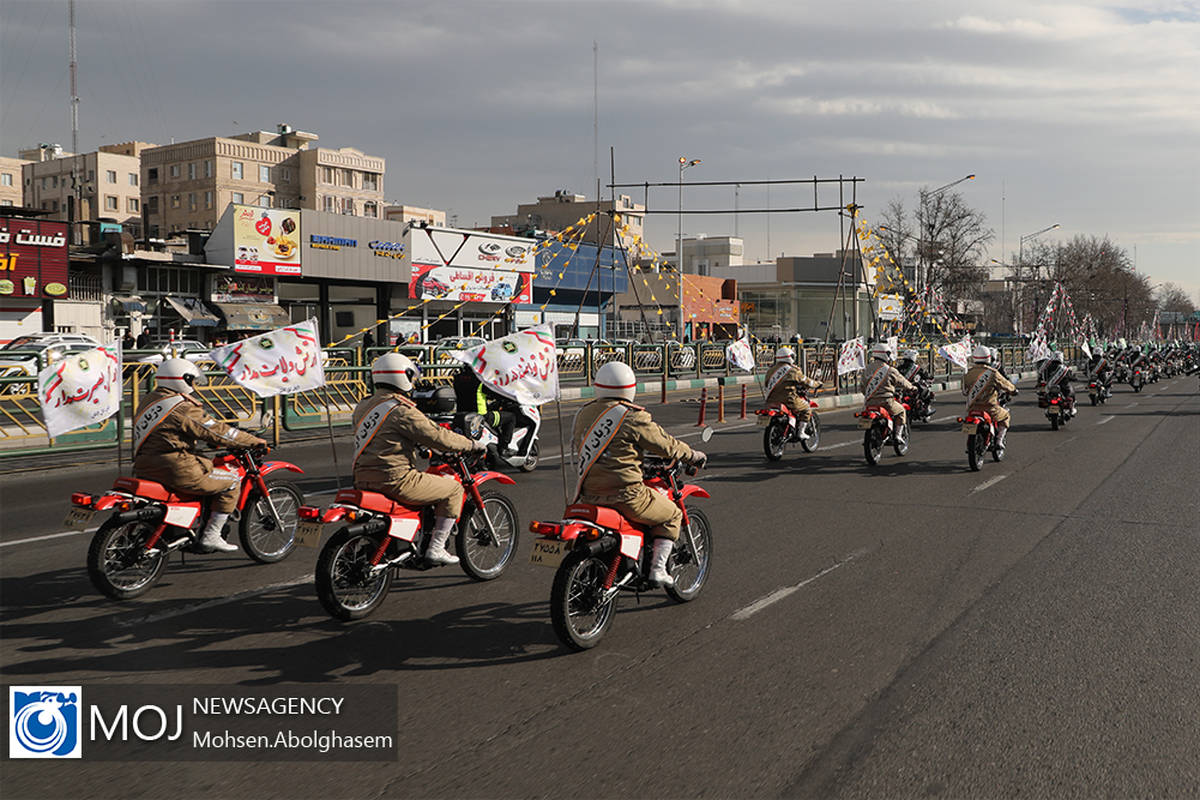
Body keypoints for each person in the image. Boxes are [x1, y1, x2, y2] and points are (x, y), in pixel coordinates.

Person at [572, 361, 706, 587]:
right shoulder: (632, 417)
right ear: (630, 388)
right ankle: (657, 569)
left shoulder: (583, 413)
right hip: (627, 497)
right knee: (672, 514)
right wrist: (692, 455)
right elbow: (666, 445)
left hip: (588, 495)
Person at [353, 353, 486, 565]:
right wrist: (471, 444)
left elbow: (387, 438)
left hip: (361, 478)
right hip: (395, 480)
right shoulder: (401, 410)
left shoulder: (364, 406)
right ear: (403, 376)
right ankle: (436, 548)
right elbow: (438, 436)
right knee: (454, 489)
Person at [132, 358, 267, 553]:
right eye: (192, 380)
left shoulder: (151, 399)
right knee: (231, 481)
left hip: (145, 466)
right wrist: (253, 441)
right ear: (183, 379)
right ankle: (211, 535)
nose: (194, 384)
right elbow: (217, 431)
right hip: (176, 468)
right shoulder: (182, 407)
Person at [963, 345, 1018, 452]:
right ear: (988, 357)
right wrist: (1014, 390)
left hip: (972, 408)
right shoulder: (992, 373)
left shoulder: (968, 373)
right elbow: (1006, 384)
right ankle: (999, 441)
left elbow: (964, 392)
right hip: (990, 408)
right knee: (1006, 416)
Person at [764, 347, 822, 439]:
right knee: (807, 408)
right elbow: (806, 382)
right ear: (790, 357)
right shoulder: (792, 370)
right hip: (788, 400)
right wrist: (817, 384)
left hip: (770, 400)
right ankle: (801, 432)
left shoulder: (770, 370)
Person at [861, 342, 914, 442]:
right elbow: (902, 382)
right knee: (901, 411)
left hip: (869, 402)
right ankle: (898, 436)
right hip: (886, 402)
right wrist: (912, 387)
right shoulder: (890, 370)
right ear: (884, 354)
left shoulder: (867, 369)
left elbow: (862, 387)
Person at [896, 348, 936, 418]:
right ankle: (926, 409)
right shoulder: (917, 369)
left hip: (901, 389)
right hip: (912, 389)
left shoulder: (899, 368)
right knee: (927, 392)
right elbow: (928, 376)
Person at [1039, 350, 1077, 415]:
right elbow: (1071, 376)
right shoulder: (1064, 368)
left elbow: (1043, 377)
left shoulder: (1047, 367)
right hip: (1063, 388)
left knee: (1045, 395)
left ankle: (1047, 409)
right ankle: (1072, 409)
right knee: (1071, 393)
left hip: (1050, 388)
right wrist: (1073, 378)